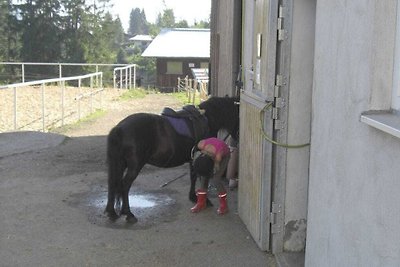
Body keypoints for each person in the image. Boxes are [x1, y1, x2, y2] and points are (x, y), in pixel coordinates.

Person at [191, 137, 230, 215]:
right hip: (208, 154)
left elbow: (217, 164)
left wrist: (214, 167)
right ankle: (201, 203)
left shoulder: (218, 156)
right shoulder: (200, 144)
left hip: (223, 156)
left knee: (216, 179)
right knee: (203, 176)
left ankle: (224, 205)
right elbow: (194, 152)